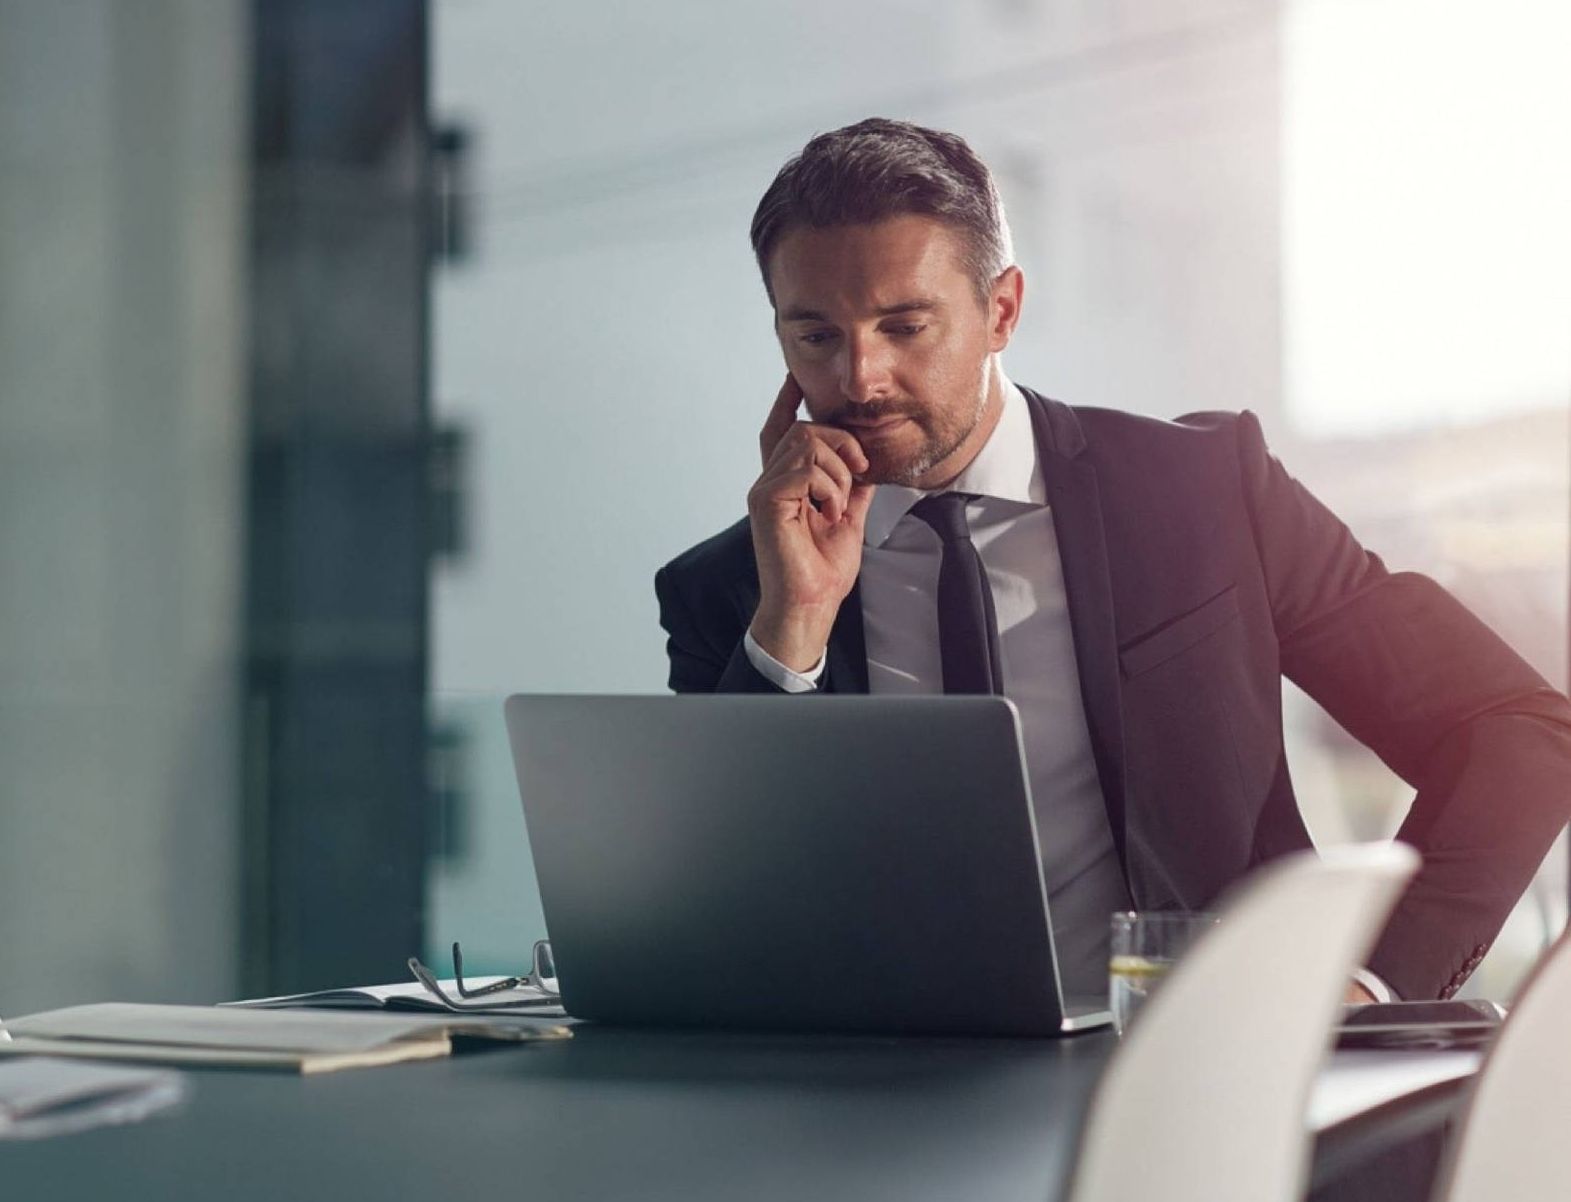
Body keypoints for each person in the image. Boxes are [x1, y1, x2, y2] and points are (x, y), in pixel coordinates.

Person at [654, 117, 1571, 1002]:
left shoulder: (1207, 493)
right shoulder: (730, 591)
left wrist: (1371, 984)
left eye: (904, 326)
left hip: (1202, 1087)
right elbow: (716, 919)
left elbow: (1517, 730)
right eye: (816, 335)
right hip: (878, 1116)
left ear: (1001, 309)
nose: (859, 378)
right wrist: (793, 630)